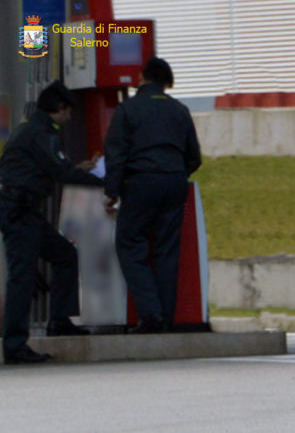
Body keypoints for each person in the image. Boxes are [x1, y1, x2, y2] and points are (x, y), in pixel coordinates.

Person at [0, 81, 102, 364]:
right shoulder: (43, 133)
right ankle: (14, 347)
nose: (69, 118)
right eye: (68, 112)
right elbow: (62, 172)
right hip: (20, 211)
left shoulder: (31, 128)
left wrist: (80, 168)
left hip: (21, 209)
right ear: (60, 109)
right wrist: (105, 181)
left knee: (65, 255)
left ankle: (58, 320)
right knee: (22, 278)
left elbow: (56, 167)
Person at [104, 57, 201, 334]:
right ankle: (166, 319)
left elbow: (116, 154)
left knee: (130, 244)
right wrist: (175, 173)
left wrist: (112, 191)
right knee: (167, 251)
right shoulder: (179, 110)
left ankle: (151, 315)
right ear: (166, 82)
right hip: (174, 183)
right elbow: (194, 156)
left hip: (141, 183)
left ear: (142, 77)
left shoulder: (128, 110)